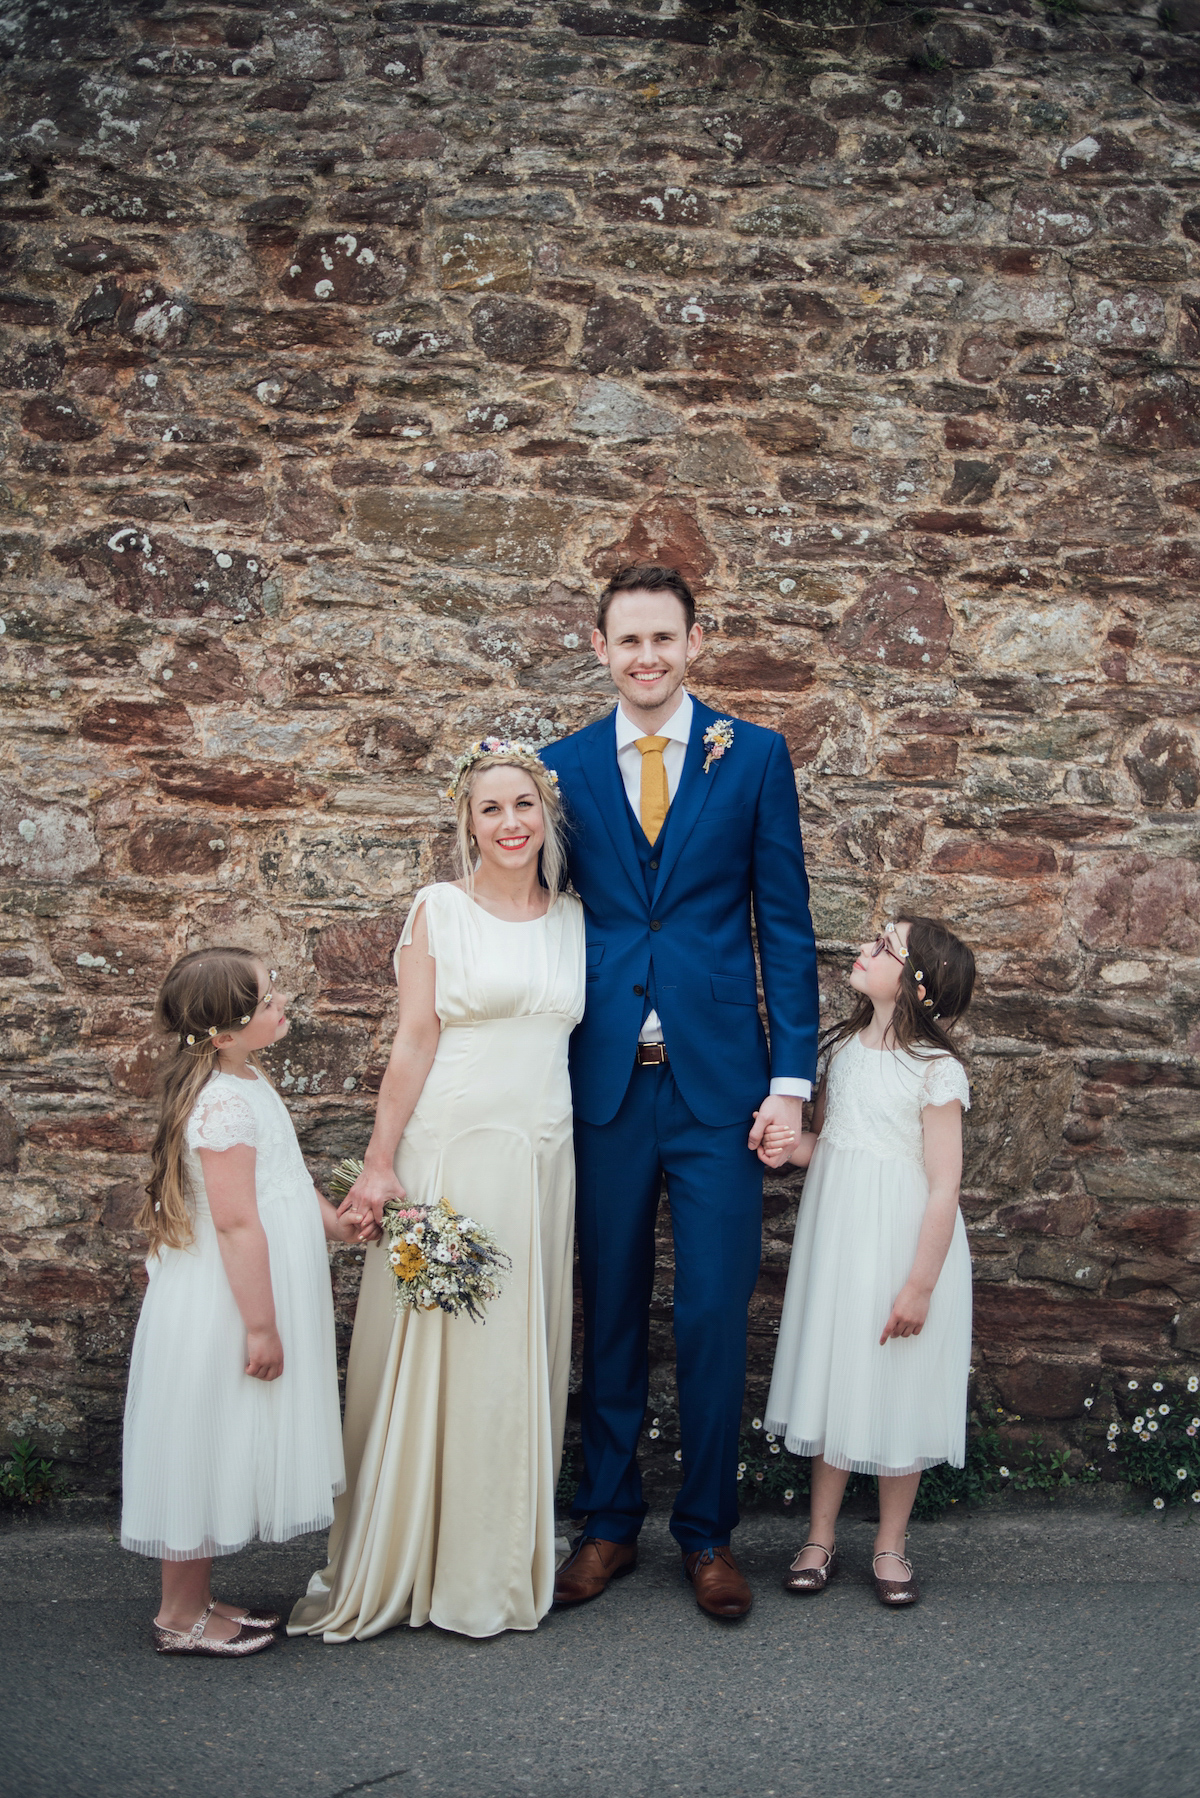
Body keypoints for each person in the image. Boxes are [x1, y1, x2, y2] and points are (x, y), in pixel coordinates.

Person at [541, 563, 819, 1619]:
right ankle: (606, 1523)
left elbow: (783, 926)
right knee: (607, 1308)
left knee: (709, 1312)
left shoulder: (751, 757)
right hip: (604, 1083)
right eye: (629, 641)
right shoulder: (561, 768)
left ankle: (707, 1533)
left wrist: (790, 1080)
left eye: (665, 639)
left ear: (697, 642)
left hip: (722, 1092)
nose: (647, 658)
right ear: (600, 646)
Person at [289, 741, 584, 1641]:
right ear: (468, 822)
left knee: (512, 1360)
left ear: (547, 817)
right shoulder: (437, 910)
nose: (509, 824)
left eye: (523, 807)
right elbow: (413, 1042)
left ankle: (493, 1557)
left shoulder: (574, 917)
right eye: (491, 809)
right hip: (450, 1159)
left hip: (541, 1160)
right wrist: (382, 1165)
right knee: (440, 1348)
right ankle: (413, 1553)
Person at [121, 948, 353, 1656]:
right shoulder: (220, 1104)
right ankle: (177, 1615)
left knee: (222, 1439)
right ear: (223, 1032)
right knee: (202, 1440)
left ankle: (196, 1596)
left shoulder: (247, 1076)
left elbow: (288, 1175)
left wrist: (340, 1225)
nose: (282, 1002)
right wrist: (260, 1326)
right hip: (225, 1305)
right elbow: (235, 1222)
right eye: (267, 997)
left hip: (248, 1293)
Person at [760, 915, 976, 1607]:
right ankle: (819, 1537)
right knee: (837, 1372)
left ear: (916, 983)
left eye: (883, 947)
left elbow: (943, 1184)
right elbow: (837, 1145)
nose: (864, 950)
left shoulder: (937, 1071)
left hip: (901, 1246)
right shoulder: (845, 1049)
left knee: (896, 1382)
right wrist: (787, 1147)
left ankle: (890, 1543)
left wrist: (920, 1284)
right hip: (841, 1240)